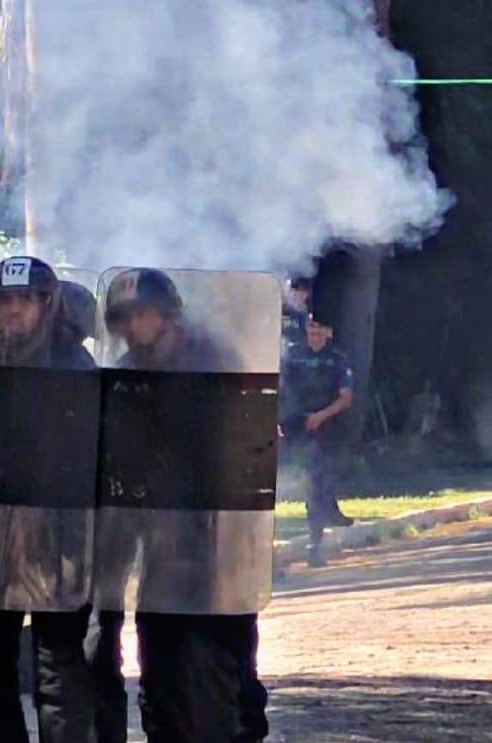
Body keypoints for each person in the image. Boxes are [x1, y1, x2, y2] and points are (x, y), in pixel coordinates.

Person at [89, 267, 268, 743]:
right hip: (157, 536)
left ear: (166, 315)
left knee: (226, 658)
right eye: (120, 318)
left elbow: (249, 445)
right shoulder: (125, 375)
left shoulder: (218, 362)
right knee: (160, 659)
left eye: (138, 315)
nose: (129, 328)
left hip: (216, 531)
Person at [0, 256, 96, 743]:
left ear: (46, 304)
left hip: (58, 541)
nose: (14, 310)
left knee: (57, 670)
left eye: (24, 299)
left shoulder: (76, 367)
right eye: (5, 301)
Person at [279, 314, 355, 568]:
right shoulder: (292, 356)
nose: (315, 333)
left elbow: (345, 397)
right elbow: (280, 388)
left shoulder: (337, 360)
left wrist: (321, 416)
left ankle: (315, 542)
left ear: (327, 332)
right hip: (295, 427)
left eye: (320, 328)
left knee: (318, 482)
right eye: (311, 328)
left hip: (326, 429)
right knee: (299, 481)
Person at [282, 277, 311, 350]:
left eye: (305, 293)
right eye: (300, 292)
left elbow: (305, 333)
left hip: (295, 348)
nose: (303, 296)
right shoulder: (280, 306)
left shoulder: (303, 311)